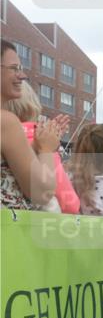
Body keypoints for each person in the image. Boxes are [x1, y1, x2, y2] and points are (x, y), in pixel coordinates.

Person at [0, 40, 64, 210]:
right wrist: (46, 149)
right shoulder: (6, 122)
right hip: (8, 233)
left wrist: (33, 147)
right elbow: (41, 193)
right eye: (14, 68)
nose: (22, 76)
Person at [3, 81, 78, 213]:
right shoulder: (42, 142)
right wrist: (48, 148)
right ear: (32, 104)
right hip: (26, 227)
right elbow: (69, 203)